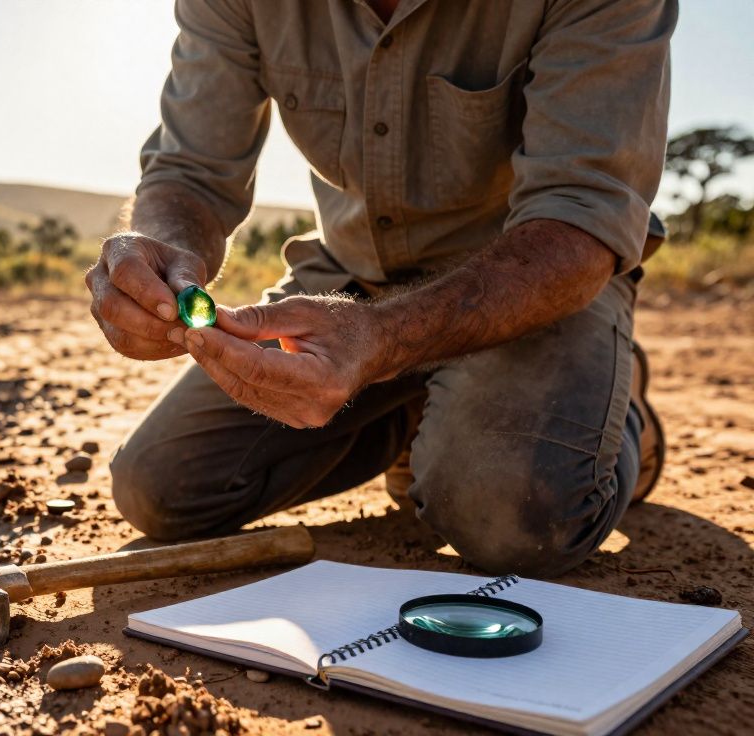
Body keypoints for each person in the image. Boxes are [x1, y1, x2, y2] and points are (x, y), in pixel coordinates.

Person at [86, 0, 677, 577]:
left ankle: (622, 413)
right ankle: (419, 407)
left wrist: (382, 338)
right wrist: (161, 246)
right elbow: (189, 172)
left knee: (513, 520)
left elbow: (580, 213)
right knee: (161, 486)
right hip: (352, 279)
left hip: (532, 286)